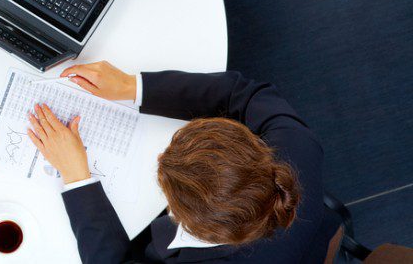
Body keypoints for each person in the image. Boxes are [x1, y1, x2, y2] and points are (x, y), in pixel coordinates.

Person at [26, 61, 338, 263]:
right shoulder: (297, 146)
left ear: (182, 216)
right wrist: (131, 86)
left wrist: (77, 177)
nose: (161, 157)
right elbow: (245, 94)